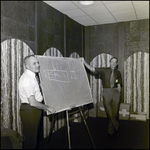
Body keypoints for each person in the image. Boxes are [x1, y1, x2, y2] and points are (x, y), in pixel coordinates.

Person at [18, 55, 56, 149]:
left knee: (33, 139)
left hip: (33, 110)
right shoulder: (27, 79)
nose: (38, 65)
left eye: (38, 62)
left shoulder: (32, 76)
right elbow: (33, 102)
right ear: (26, 66)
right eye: (34, 63)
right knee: (30, 141)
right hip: (30, 110)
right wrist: (48, 107)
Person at [81, 57, 122, 140]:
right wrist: (84, 62)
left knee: (114, 113)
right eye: (112, 62)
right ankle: (117, 127)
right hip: (106, 93)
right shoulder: (104, 70)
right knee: (109, 113)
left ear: (116, 64)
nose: (113, 63)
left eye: (115, 62)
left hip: (116, 94)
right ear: (109, 63)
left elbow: (119, 85)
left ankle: (110, 132)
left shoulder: (118, 73)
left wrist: (119, 95)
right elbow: (92, 69)